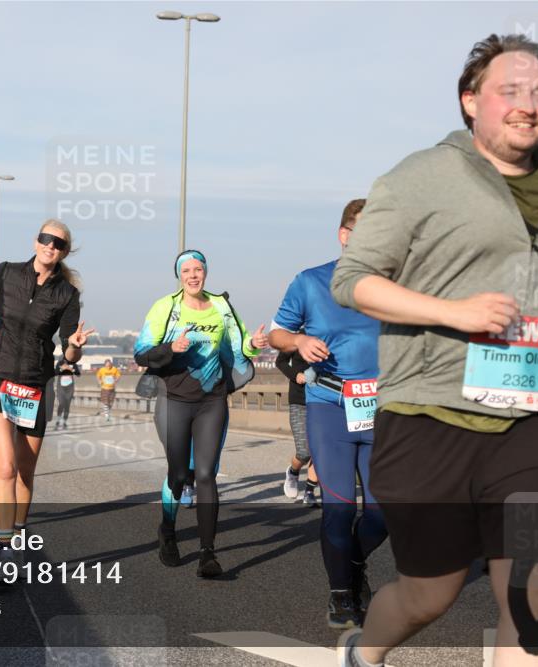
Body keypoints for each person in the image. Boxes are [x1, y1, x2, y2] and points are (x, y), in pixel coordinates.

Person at [331, 35, 538, 667]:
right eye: (509, 91)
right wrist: (453, 312)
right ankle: (363, 651)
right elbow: (353, 280)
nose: (527, 105)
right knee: (430, 593)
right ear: (470, 100)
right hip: (429, 417)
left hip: (530, 424)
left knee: (530, 593)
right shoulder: (420, 178)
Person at [269, 199, 387, 629]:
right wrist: (299, 342)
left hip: (382, 408)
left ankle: (352, 565)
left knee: (384, 513)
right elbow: (278, 333)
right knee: (338, 508)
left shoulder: (397, 286)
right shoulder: (311, 281)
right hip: (329, 406)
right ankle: (341, 593)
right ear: (345, 235)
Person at [0, 217, 93, 565]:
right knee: (6, 468)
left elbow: (69, 352)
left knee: (25, 473)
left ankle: (19, 533)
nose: (51, 246)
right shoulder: (9, 272)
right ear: (35, 241)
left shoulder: (67, 295)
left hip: (33, 387)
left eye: (59, 243)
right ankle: (6, 549)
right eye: (46, 238)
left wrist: (74, 346)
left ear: (64, 252)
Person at [134, 249, 268, 577]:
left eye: (198, 270)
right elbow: (141, 352)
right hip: (174, 399)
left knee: (206, 474)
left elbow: (239, 347)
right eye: (187, 271)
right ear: (179, 276)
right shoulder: (166, 307)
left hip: (212, 400)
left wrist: (254, 344)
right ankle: (167, 531)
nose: (193, 275)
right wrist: (171, 348)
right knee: (179, 474)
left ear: (205, 272)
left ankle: (208, 553)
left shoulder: (221, 306)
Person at [276, 349, 321, 506]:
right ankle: (293, 472)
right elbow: (280, 361)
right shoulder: (295, 338)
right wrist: (296, 375)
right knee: (304, 452)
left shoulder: (329, 337)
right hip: (299, 400)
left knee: (319, 449)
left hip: (323, 400)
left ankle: (309, 492)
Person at [53, 358, 80, 429]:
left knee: (67, 405)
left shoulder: (73, 363)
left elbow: (78, 374)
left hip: (70, 388)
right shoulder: (60, 363)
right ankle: (58, 421)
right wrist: (61, 369)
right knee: (61, 403)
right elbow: (55, 373)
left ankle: (64, 422)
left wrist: (71, 370)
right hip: (61, 387)